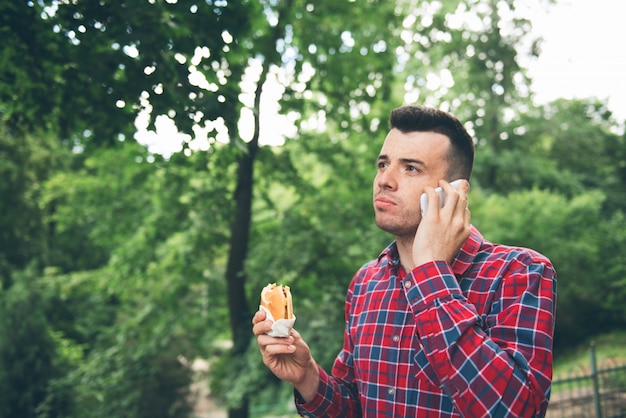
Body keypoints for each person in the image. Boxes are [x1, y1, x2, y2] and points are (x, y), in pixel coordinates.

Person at [252, 105, 557, 417]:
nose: (385, 179)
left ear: (453, 193)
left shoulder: (519, 273)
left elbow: (518, 411)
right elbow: (356, 408)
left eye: (410, 168)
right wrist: (308, 379)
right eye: (383, 164)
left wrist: (431, 273)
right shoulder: (366, 283)